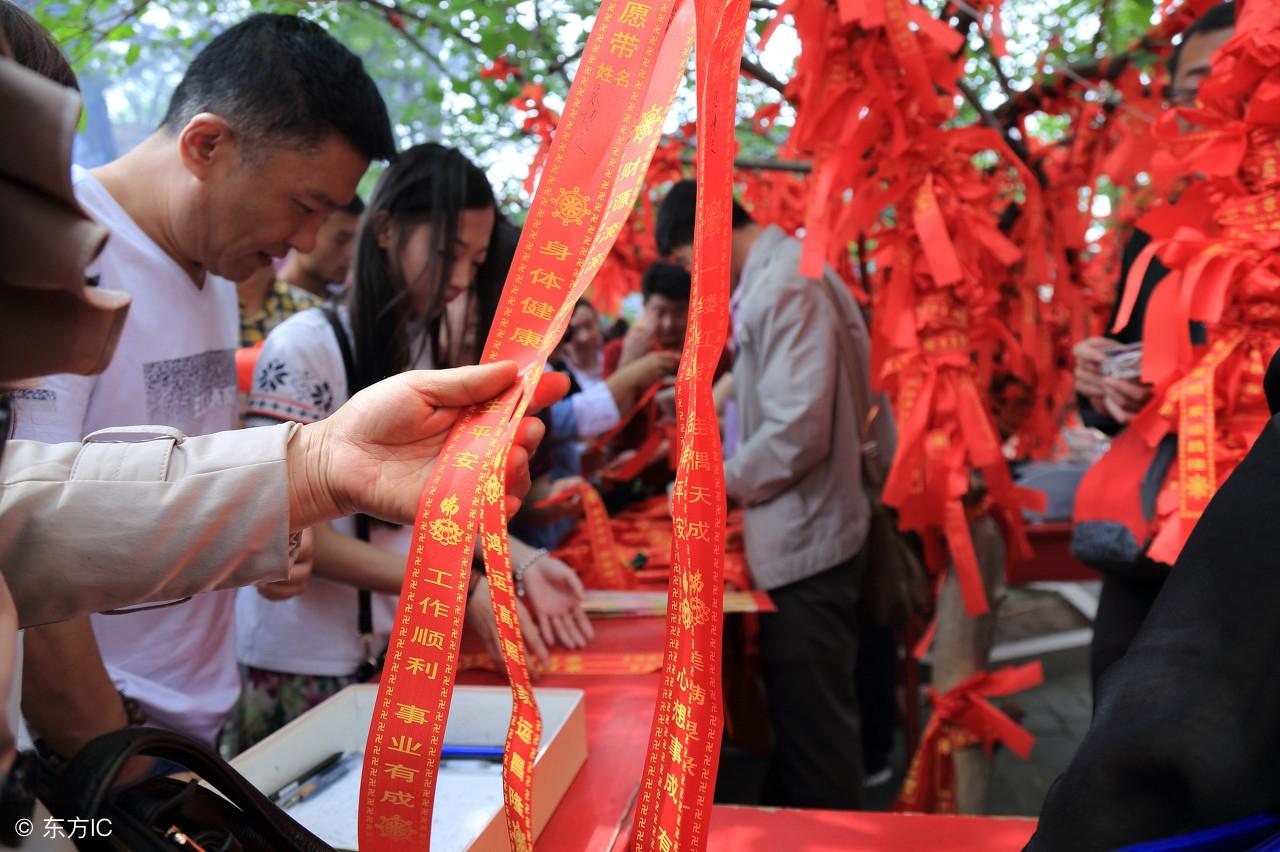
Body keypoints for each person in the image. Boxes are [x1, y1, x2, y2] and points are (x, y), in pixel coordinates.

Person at [9, 12, 395, 759]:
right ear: (207, 145)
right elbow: (18, 542)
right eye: (305, 206)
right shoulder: (59, 253)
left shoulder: (217, 268)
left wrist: (263, 535)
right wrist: (113, 759)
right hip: (100, 734)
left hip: (191, 713)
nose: (305, 243)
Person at [232, 144, 592, 749]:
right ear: (385, 230)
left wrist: (523, 559)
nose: (461, 280)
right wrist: (463, 586)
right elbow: (279, 524)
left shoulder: (425, 347)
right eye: (448, 254)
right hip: (306, 658)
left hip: (396, 643)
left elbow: (429, 502)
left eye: (476, 260)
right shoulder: (303, 347)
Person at [656, 179, 896, 810]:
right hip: (813, 524)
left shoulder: (784, 284)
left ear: (703, 237)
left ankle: (831, 836)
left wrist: (706, 486)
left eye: (685, 261)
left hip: (810, 537)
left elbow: (796, 433)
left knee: (815, 733)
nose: (693, 277)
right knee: (805, 719)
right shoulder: (785, 273)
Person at [1070, 2, 1235, 694]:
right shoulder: (1160, 234)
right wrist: (1099, 383)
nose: (1214, 106)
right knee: (1124, 704)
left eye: (1240, 82)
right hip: (1158, 542)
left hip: (1256, 536)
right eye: (1193, 90)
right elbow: (1124, 362)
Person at [603, 261, 690, 376]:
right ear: (645, 305)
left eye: (678, 313)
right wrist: (628, 360)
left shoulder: (701, 349)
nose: (669, 323)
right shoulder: (616, 351)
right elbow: (609, 388)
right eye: (660, 312)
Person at [277, 196, 363, 299]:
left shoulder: (347, 306)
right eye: (341, 240)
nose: (351, 254)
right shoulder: (263, 300)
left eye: (356, 243)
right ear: (303, 232)